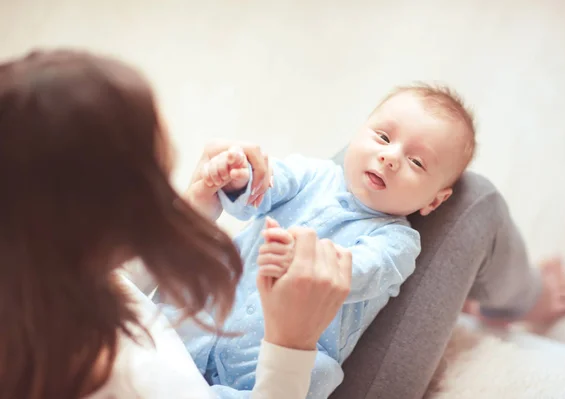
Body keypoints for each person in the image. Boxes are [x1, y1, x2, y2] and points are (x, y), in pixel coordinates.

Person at [0, 49, 352, 399]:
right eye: (157, 164)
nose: (172, 150)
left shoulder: (35, 274)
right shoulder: (133, 382)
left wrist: (195, 205)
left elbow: (115, 279)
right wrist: (291, 344)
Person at [169, 85, 477, 398]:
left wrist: (302, 259)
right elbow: (266, 186)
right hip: (212, 315)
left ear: (434, 202)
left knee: (316, 373)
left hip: (270, 361)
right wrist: (240, 178)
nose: (390, 157)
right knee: (177, 306)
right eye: (383, 137)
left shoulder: (398, 241)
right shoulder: (313, 174)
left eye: (417, 162)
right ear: (356, 134)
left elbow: (360, 271)